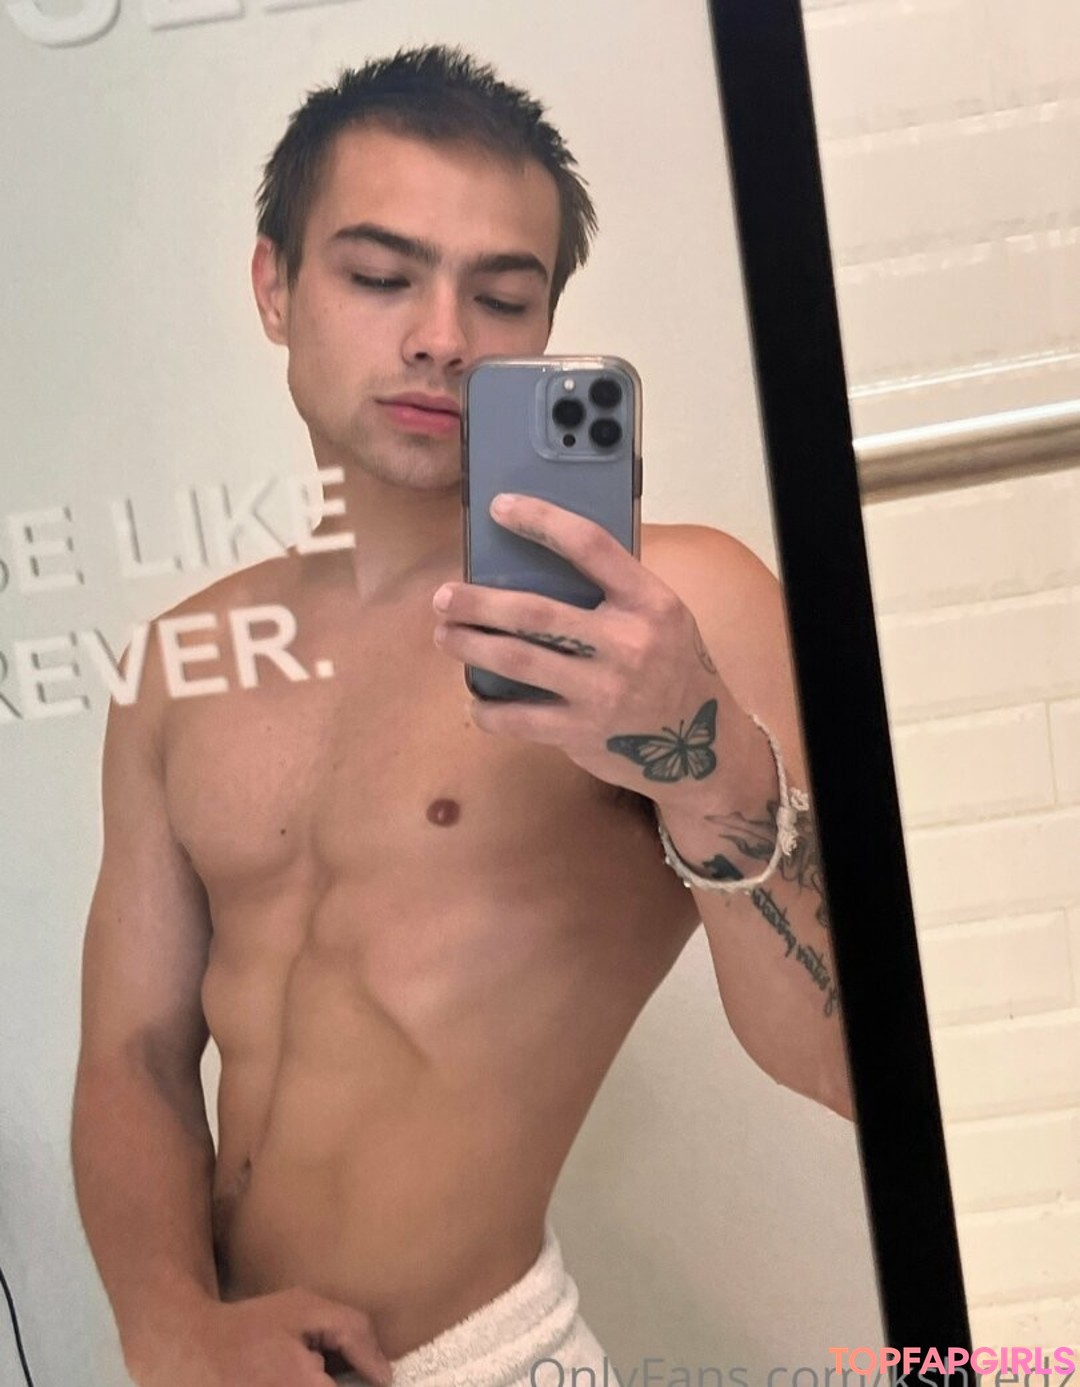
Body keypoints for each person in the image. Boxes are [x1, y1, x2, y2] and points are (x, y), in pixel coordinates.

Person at [71, 45, 850, 1387]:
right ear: (275, 287)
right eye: (381, 276)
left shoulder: (673, 610)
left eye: (501, 295)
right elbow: (131, 1051)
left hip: (473, 1359)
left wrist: (703, 757)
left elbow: (844, 1063)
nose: (441, 335)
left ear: (546, 329)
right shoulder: (185, 658)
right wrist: (170, 1325)